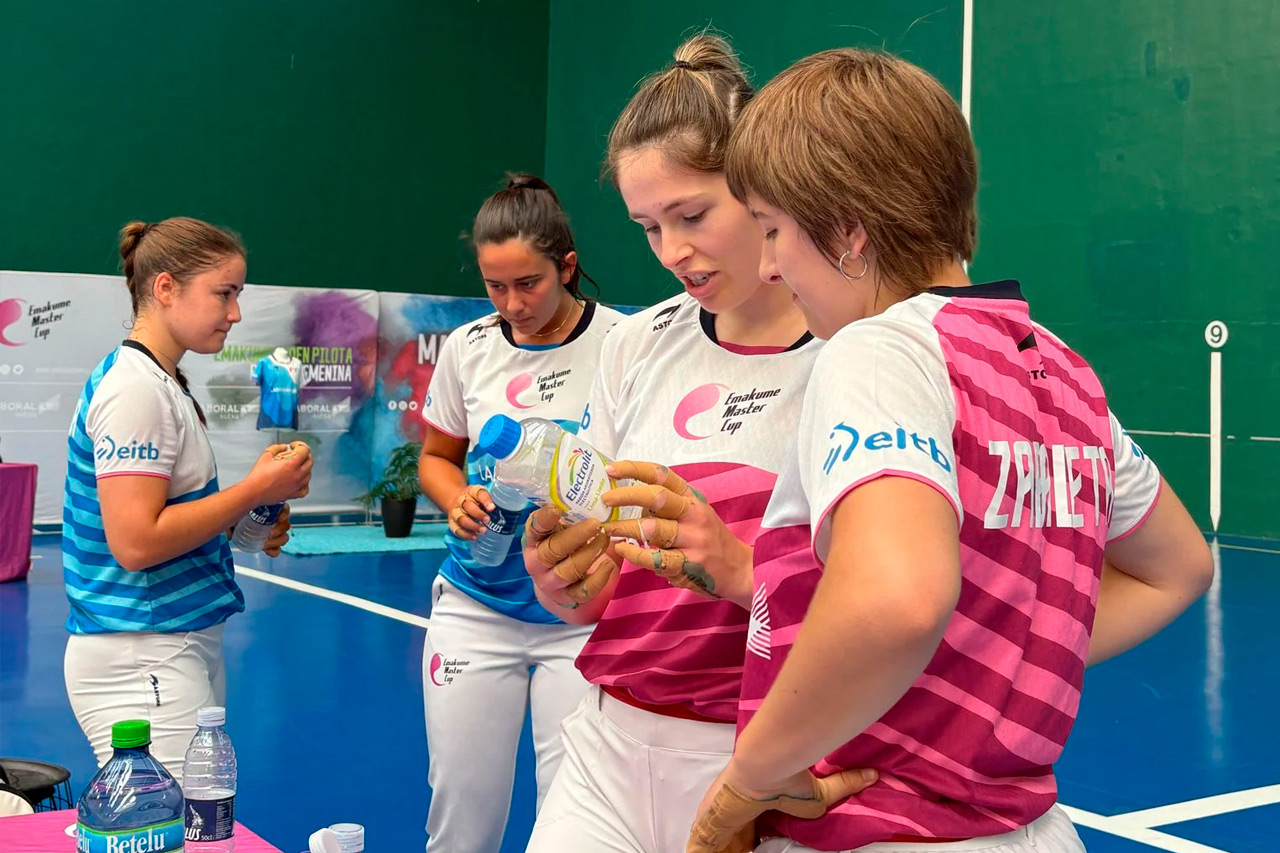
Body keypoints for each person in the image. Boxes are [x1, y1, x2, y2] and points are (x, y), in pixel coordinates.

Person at [682, 48, 1216, 853]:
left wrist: (751, 777)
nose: (767, 265)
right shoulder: (1062, 368)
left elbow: (896, 597)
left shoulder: (879, 354)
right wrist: (997, 660)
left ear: (848, 234)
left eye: (772, 230)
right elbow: (1181, 565)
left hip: (881, 828)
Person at [519, 35, 871, 853]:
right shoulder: (636, 346)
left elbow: (887, 596)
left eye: (692, 215)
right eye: (648, 227)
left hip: (755, 755)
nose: (672, 251)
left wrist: (740, 564)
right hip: (606, 737)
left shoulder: (854, 355)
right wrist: (561, 576)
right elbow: (595, 591)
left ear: (759, 188)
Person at [415, 174, 623, 853]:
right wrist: (457, 499)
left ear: (566, 266)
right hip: (476, 606)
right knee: (461, 815)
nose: (512, 304)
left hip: (581, 618)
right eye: (495, 286)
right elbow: (436, 458)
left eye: (528, 283)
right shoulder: (469, 347)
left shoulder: (625, 345)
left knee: (574, 820)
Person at [63, 217, 311, 783]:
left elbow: (164, 518)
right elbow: (135, 541)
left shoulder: (161, 380)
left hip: (168, 642)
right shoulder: (136, 391)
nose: (235, 312)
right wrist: (253, 490)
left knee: (193, 827)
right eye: (224, 293)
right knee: (172, 831)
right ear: (166, 288)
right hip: (140, 653)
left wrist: (242, 519)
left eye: (238, 295)